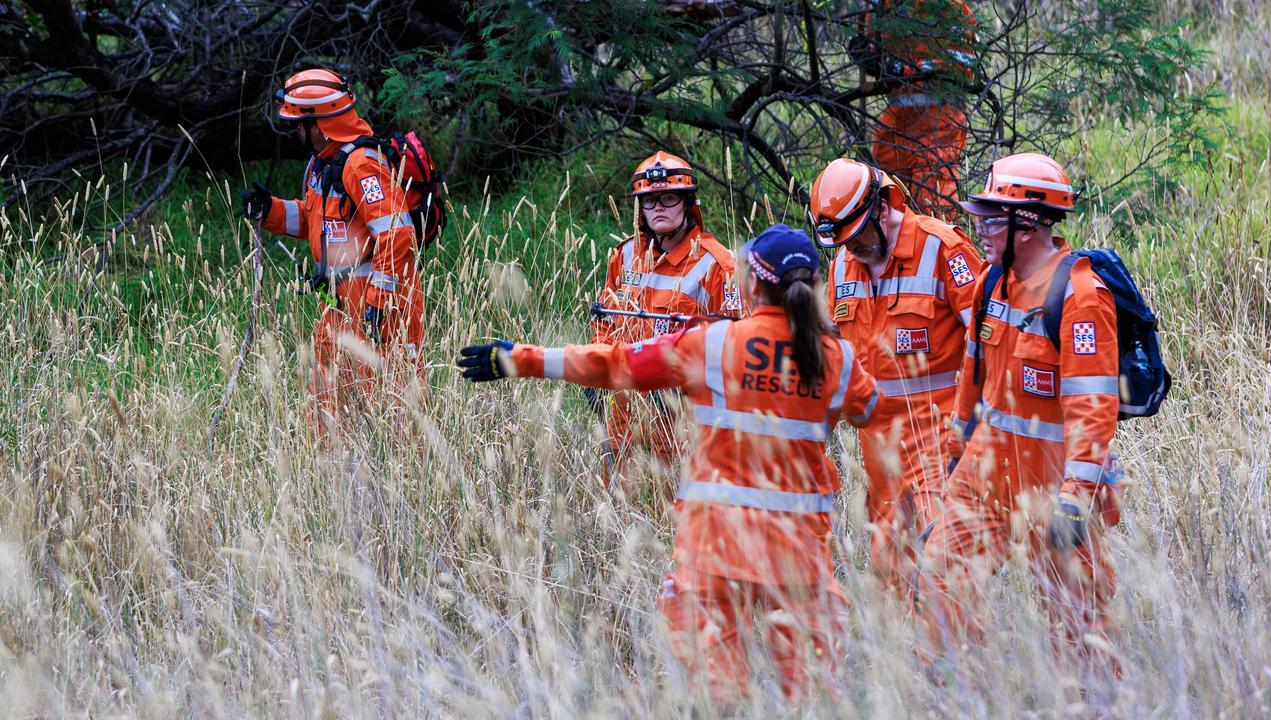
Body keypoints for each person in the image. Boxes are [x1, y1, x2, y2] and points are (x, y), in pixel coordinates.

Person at [458, 225, 879, 701]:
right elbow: (870, 410)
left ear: (753, 285)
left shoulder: (713, 344)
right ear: (814, 288)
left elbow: (615, 365)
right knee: (811, 696)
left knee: (714, 697)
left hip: (715, 551)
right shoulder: (836, 358)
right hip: (799, 555)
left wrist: (522, 358)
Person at [917, 152, 1123, 667]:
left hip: (1055, 477)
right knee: (941, 576)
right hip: (986, 464)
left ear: (1026, 222)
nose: (980, 228)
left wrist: (1076, 495)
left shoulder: (1080, 297)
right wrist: (954, 455)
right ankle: (959, 693)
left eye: (990, 218)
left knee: (1076, 618)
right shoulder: (992, 281)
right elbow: (973, 374)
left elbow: (1093, 405)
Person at [809, 158, 982, 599]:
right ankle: (906, 667)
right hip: (877, 459)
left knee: (945, 578)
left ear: (882, 209)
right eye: (843, 242)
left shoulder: (942, 248)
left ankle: (956, 666)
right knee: (891, 580)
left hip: (938, 448)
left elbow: (990, 344)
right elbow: (834, 358)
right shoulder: (842, 268)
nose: (854, 249)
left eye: (859, 236)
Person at [239, 68, 425, 435]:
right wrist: (271, 211)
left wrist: (379, 296)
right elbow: (316, 223)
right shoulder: (321, 164)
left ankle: (406, 486)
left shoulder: (362, 164)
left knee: (394, 411)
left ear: (320, 124)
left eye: (299, 124)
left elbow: (398, 233)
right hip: (339, 303)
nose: (296, 131)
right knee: (325, 405)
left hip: (383, 308)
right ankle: (330, 483)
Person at [589, 151, 741, 485]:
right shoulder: (625, 255)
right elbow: (604, 320)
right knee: (618, 512)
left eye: (669, 198)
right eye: (649, 200)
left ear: (687, 202)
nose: (658, 207)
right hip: (622, 416)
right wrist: (599, 370)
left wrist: (682, 382)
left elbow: (738, 347)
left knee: (671, 519)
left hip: (681, 424)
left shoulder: (719, 265)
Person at [860, 0, 977, 220]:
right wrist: (867, 55)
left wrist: (903, 70)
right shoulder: (880, 7)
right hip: (895, 122)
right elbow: (878, 56)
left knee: (934, 211)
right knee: (882, 207)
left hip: (939, 122)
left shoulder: (949, 7)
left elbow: (964, 66)